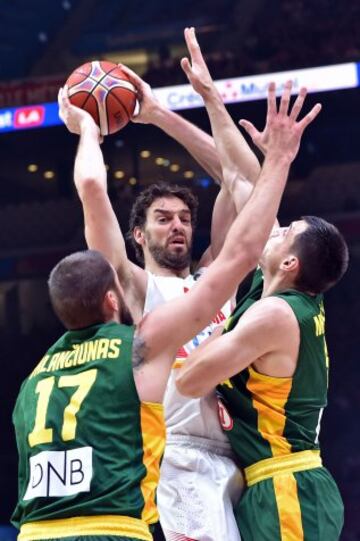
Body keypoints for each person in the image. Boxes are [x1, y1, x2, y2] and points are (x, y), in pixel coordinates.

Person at [11, 69, 305, 540]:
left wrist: (159, 114)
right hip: (173, 457)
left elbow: (237, 178)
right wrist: (90, 132)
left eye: (186, 218)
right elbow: (93, 193)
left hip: (236, 461)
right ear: (138, 235)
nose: (178, 226)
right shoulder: (132, 285)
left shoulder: (218, 279)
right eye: (163, 218)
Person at [176, 86, 349, 540]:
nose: (276, 227)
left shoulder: (274, 315)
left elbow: (190, 379)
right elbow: (241, 182)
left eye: (286, 231)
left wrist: (198, 324)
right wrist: (205, 102)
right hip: (270, 483)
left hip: (287, 485)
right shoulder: (274, 292)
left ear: (289, 262)